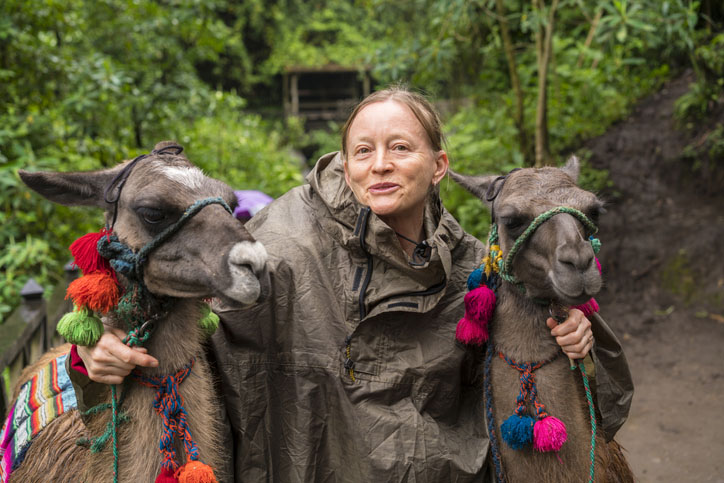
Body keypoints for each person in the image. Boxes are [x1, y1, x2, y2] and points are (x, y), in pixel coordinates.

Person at [74, 87, 633, 481]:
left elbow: (538, 375)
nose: (380, 164)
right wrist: (99, 348)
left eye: (401, 147)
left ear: (439, 165)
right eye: (363, 150)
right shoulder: (278, 247)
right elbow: (180, 322)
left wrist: (577, 330)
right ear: (345, 160)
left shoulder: (473, 268)